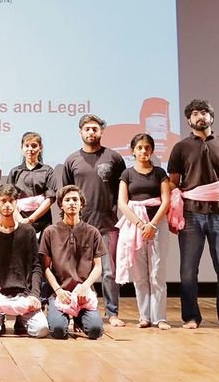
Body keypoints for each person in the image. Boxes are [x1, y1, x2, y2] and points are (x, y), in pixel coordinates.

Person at [167, 99, 219, 331]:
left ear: (211, 117)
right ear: (188, 120)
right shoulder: (180, 148)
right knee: (188, 271)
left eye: (204, 112)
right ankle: (191, 317)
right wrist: (171, 212)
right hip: (191, 215)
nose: (200, 116)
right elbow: (172, 183)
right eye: (194, 113)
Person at [58, 114, 127, 327]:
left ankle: (112, 312)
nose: (91, 132)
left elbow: (122, 189)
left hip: (107, 224)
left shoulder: (114, 158)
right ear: (80, 131)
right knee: (78, 271)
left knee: (109, 272)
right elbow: (66, 193)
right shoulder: (72, 160)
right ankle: (79, 311)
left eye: (95, 129)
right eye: (87, 128)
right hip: (79, 226)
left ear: (101, 131)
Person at [0, 183, 49, 338]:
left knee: (42, 330)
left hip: (23, 294)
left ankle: (22, 320)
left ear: (16, 202)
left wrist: (34, 294)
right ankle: (0, 319)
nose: (7, 205)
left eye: (11, 201)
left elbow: (36, 267)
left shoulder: (28, 231)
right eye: (3, 200)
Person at [116, 133, 172, 329]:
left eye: (147, 148)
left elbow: (166, 200)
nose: (143, 151)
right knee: (140, 274)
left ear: (152, 150)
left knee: (157, 272)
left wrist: (153, 225)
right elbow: (122, 203)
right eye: (139, 148)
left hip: (157, 225)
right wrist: (140, 224)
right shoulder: (127, 174)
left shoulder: (160, 173)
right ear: (133, 151)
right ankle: (144, 317)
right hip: (135, 226)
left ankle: (159, 318)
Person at [41, 185, 105, 339]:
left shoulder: (92, 232)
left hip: (83, 293)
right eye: (67, 200)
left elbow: (98, 267)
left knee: (95, 330)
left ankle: (78, 318)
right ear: (60, 205)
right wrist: (58, 290)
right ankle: (57, 312)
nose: (72, 203)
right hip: (59, 293)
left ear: (81, 204)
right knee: (58, 331)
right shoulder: (50, 232)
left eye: (75, 199)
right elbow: (46, 267)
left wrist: (85, 286)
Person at [6, 131, 56, 239]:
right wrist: (21, 220)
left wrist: (31, 219)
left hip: (43, 222)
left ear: (40, 148)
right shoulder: (15, 172)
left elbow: (50, 198)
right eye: (27, 146)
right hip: (18, 222)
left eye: (34, 146)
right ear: (22, 148)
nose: (30, 149)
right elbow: (9, 199)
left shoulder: (48, 171)